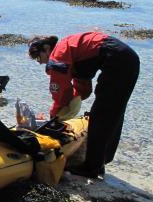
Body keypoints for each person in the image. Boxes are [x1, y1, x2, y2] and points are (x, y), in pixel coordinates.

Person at [28, 32, 139, 178]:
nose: (40, 62)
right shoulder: (72, 52)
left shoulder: (59, 54)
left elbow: (60, 92)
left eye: (38, 57)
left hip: (116, 59)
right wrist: (72, 104)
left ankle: (91, 168)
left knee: (100, 115)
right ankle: (100, 162)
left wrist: (55, 115)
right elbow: (83, 90)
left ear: (47, 48)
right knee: (114, 112)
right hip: (127, 58)